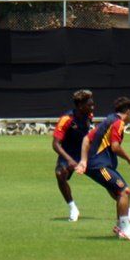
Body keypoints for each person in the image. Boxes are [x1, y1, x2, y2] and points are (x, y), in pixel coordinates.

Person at [76, 97, 130, 242]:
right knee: (125, 191)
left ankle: (121, 226)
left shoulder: (108, 120)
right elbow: (115, 147)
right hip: (100, 167)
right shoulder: (118, 123)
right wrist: (129, 158)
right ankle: (125, 229)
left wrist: (83, 160)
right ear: (129, 111)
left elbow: (87, 139)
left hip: (96, 165)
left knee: (120, 193)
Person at [52, 90, 95, 222]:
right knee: (60, 174)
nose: (93, 107)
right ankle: (73, 208)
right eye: (90, 105)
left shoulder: (89, 115)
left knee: (106, 176)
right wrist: (69, 160)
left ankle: (126, 208)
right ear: (80, 106)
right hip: (69, 154)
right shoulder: (66, 119)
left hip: (85, 153)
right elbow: (55, 144)